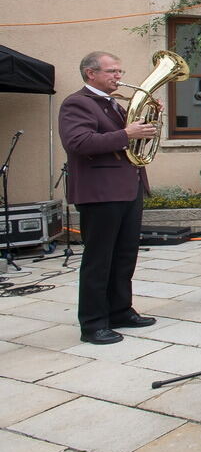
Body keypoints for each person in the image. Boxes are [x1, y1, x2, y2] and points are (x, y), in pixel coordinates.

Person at [58, 51, 158, 345]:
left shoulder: (114, 105)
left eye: (119, 71)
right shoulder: (77, 103)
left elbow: (129, 139)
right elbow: (78, 142)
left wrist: (148, 120)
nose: (119, 77)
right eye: (112, 71)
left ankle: (120, 310)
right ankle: (92, 323)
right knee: (99, 260)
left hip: (127, 187)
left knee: (125, 256)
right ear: (91, 73)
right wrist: (128, 132)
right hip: (100, 191)